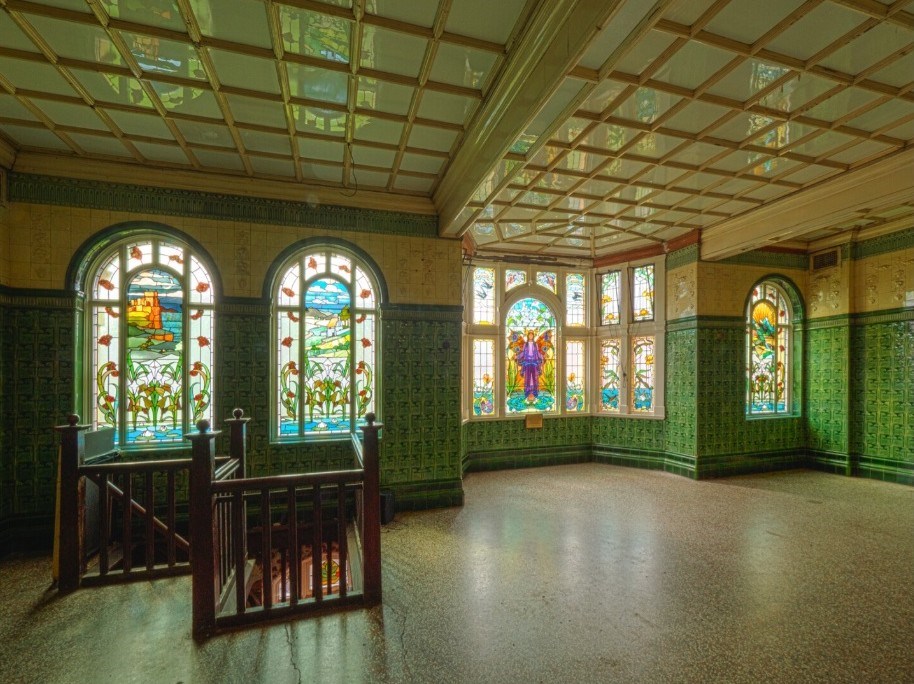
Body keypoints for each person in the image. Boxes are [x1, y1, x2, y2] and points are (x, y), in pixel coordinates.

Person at [516, 331, 543, 401]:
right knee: (527, 377)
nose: (530, 336)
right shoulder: (525, 344)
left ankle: (534, 392)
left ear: (533, 336)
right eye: (529, 335)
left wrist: (542, 356)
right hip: (527, 362)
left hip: (534, 362)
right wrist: (517, 356)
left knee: (534, 377)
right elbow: (523, 353)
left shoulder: (535, 344)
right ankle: (527, 392)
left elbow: (537, 353)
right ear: (528, 336)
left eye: (532, 335)